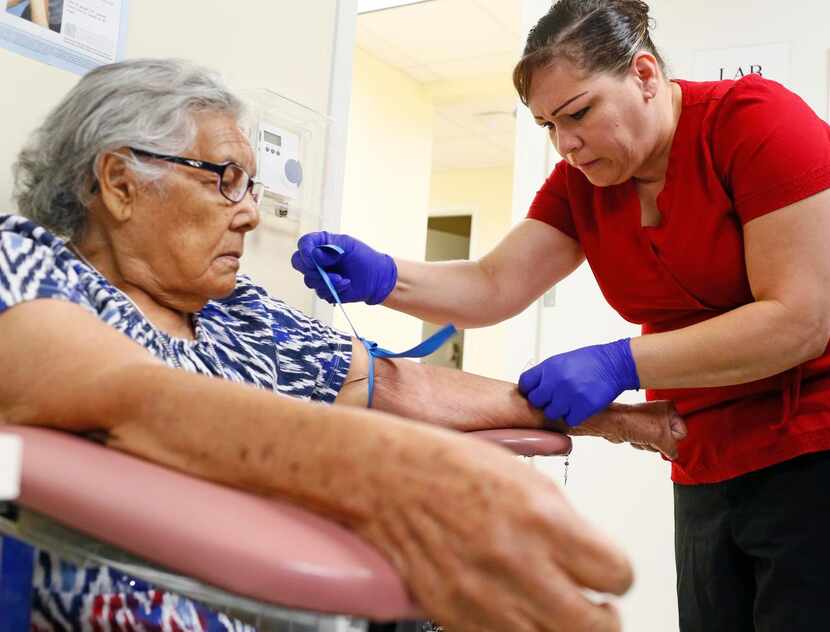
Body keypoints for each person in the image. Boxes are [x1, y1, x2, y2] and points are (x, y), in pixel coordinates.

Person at [0, 57, 688, 632]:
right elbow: (122, 394)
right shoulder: (29, 265)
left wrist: (616, 419)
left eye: (251, 185)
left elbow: (402, 386)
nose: (247, 212)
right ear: (120, 182)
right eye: (225, 178)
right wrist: (389, 474)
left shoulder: (244, 315)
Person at [291, 1, 830, 630]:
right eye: (548, 125)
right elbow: (493, 286)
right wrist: (384, 277)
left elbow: (801, 318)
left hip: (812, 448)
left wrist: (620, 361)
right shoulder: (583, 181)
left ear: (646, 75)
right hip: (700, 454)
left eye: (578, 113)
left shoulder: (754, 122)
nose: (565, 144)